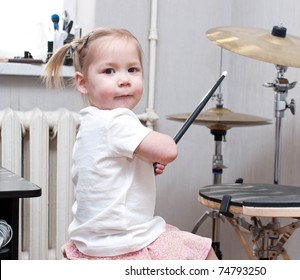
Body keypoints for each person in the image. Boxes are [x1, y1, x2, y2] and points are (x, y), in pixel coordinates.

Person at [42, 27, 217, 260]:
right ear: (82, 83)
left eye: (132, 69)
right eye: (109, 71)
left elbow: (111, 174)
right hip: (123, 241)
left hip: (91, 241)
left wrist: (144, 163)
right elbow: (168, 150)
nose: (124, 79)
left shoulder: (92, 120)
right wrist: (160, 151)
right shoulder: (117, 119)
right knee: (203, 253)